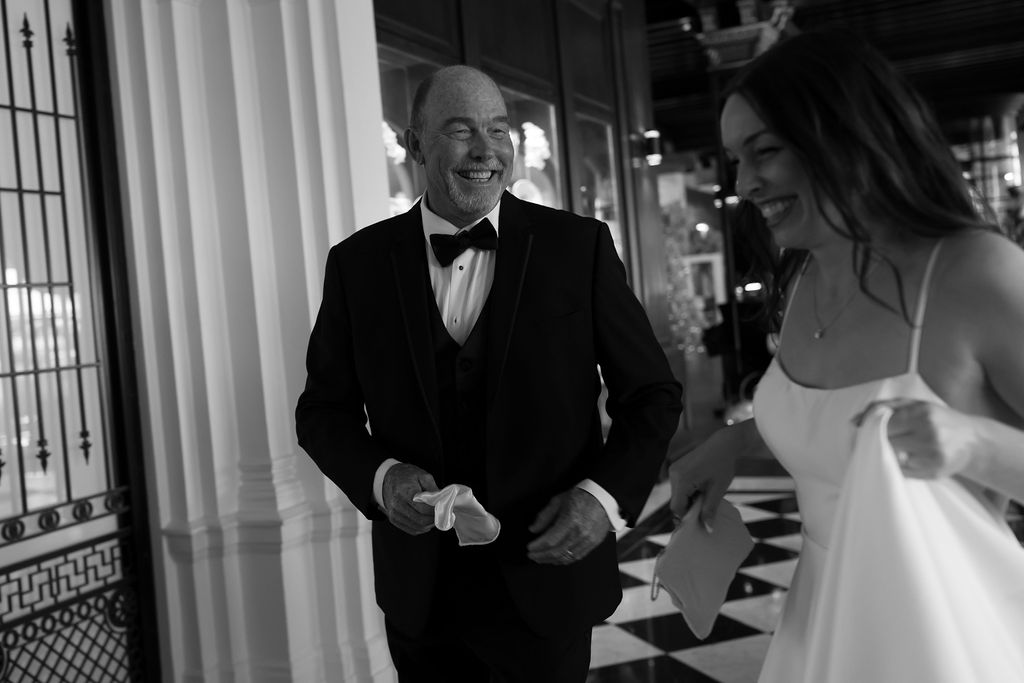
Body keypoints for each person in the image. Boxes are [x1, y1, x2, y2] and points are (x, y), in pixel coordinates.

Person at [295, 64, 682, 682]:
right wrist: (382, 478)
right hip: (423, 593)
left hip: (546, 578)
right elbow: (322, 412)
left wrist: (601, 499)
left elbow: (653, 397)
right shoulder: (357, 264)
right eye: (460, 130)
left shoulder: (578, 247)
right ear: (414, 144)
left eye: (498, 131)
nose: (486, 151)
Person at [669, 29, 1024, 681]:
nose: (743, 183)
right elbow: (839, 421)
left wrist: (972, 444)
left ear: (845, 135)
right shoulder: (805, 272)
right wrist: (736, 441)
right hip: (817, 623)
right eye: (734, 160)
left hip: (945, 632)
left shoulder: (981, 274)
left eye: (764, 151)